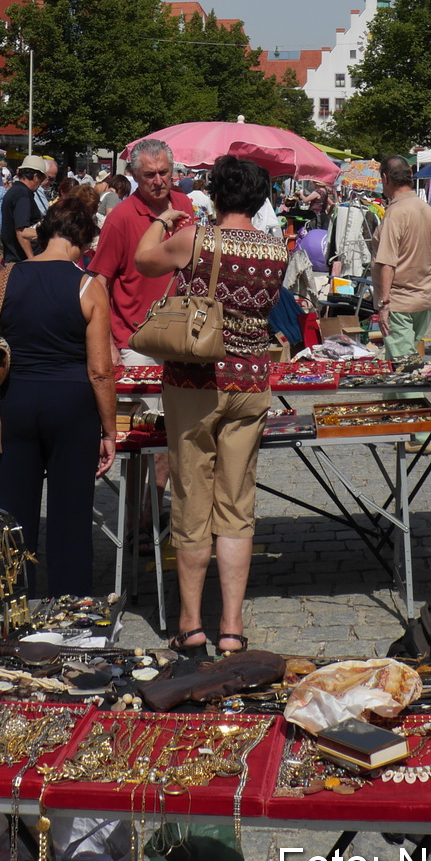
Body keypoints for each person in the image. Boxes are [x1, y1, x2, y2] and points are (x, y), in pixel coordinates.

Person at [135, 155, 287, 654]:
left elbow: (144, 261)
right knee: (237, 505)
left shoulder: (196, 240)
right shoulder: (275, 248)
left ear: (215, 194)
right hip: (251, 383)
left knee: (191, 501)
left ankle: (192, 623)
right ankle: (233, 628)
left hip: (195, 381)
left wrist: (162, 219)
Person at [0, 197, 117, 595]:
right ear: (83, 241)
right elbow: (100, 371)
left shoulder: (7, 277)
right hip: (72, 406)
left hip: (16, 401)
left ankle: (10, 604)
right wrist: (109, 430)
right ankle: (71, 604)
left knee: (12, 512)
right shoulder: (89, 286)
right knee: (71, 513)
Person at [90, 140, 194, 366]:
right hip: (134, 340)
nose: (158, 181)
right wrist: (106, 342)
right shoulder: (121, 217)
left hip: (179, 335)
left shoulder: (184, 203)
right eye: (149, 175)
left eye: (164, 172)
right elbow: (100, 281)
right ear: (135, 176)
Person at [371, 157, 431, 360]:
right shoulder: (426, 209)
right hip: (423, 298)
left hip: (399, 301)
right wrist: (426, 287)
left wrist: (384, 304)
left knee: (404, 369)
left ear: (385, 178)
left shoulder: (396, 212)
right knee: (395, 365)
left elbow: (387, 262)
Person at [0, 157, 47, 264]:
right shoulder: (22, 194)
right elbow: (22, 231)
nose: (40, 183)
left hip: (14, 258)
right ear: (35, 177)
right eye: (41, 179)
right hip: (21, 261)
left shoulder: (14, 191)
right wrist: (31, 259)